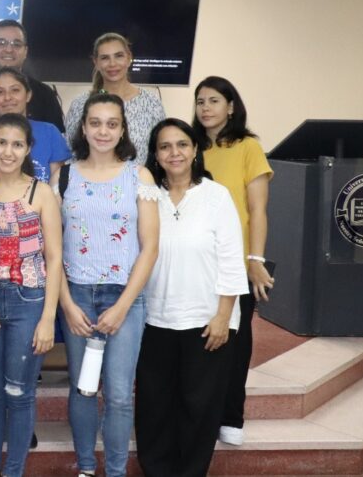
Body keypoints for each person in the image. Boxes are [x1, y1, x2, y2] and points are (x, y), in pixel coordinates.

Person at [135, 119, 247, 477]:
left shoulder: (216, 196)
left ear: (195, 149)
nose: (174, 153)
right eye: (165, 146)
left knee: (199, 408)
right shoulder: (146, 197)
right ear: (155, 154)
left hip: (206, 321)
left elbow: (232, 260)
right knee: (154, 406)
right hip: (154, 319)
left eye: (182, 144)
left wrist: (223, 316)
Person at [56, 92, 160, 477]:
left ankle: (115, 472)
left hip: (124, 297)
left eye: (112, 124)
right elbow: (52, 250)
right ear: (83, 128)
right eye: (95, 123)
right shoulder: (63, 175)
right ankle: (86, 467)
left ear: (122, 130)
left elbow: (150, 248)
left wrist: (122, 306)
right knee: (83, 389)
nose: (103, 131)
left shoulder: (139, 176)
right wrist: (67, 304)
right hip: (77, 296)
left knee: (118, 395)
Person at [0, 113, 64, 477]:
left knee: (19, 392)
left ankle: (14, 471)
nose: (8, 151)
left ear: (28, 149)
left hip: (29, 302)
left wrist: (48, 318)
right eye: (2, 143)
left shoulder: (42, 193)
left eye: (17, 144)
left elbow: (54, 258)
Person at [192, 76, 274, 447]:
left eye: (213, 101)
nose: (205, 108)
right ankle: (201, 415)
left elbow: (257, 210)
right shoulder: (192, 148)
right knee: (201, 343)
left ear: (230, 106)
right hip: (197, 264)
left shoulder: (247, 147)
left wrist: (255, 259)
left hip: (236, 263)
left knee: (235, 345)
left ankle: (231, 417)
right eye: (200, 101)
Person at [64, 33, 165, 165]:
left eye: (119, 56)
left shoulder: (151, 104)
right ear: (96, 62)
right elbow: (70, 152)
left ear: (129, 57)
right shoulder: (80, 104)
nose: (112, 64)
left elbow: (161, 149)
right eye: (105, 58)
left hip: (138, 177)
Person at [0, 19, 65, 132]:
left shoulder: (45, 94)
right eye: (1, 43)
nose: (9, 49)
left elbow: (56, 137)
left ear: (25, 51)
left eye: (17, 44)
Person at [0, 66, 71, 183]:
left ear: (28, 95)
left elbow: (56, 186)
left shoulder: (50, 132)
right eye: (0, 92)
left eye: (15, 90)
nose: (7, 97)